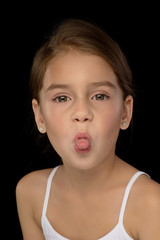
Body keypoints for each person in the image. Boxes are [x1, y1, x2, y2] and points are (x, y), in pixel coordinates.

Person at [16, 18, 160, 240]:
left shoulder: (151, 204)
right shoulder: (30, 193)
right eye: (62, 98)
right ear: (39, 116)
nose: (82, 113)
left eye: (99, 96)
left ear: (125, 112)